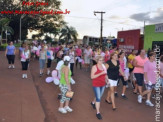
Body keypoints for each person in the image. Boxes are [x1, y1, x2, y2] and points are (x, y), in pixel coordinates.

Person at [90, 56, 107, 120]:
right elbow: (92, 77)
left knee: (98, 96)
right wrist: (100, 73)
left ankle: (93, 102)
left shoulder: (103, 66)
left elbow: (105, 74)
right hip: (96, 84)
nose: (101, 61)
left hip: (103, 84)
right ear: (97, 61)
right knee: (98, 98)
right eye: (99, 60)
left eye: (102, 60)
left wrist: (106, 80)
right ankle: (98, 112)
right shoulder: (94, 67)